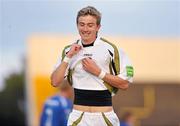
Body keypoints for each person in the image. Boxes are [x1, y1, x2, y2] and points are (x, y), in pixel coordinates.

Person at [51, 6, 134, 126]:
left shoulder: (111, 49)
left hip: (105, 118)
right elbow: (55, 81)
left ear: (98, 27)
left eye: (90, 25)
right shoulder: (68, 50)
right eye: (82, 24)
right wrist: (68, 56)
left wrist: (99, 72)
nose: (85, 29)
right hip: (78, 118)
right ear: (77, 25)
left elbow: (125, 84)